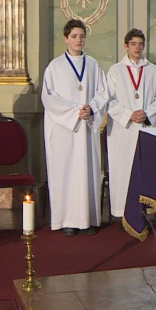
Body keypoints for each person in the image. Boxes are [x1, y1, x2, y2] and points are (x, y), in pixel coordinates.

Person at [42, 19, 109, 236]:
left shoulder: (93, 65)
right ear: (66, 39)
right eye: (74, 36)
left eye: (81, 36)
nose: (78, 40)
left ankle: (88, 219)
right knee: (66, 172)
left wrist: (92, 108)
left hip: (87, 128)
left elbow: (103, 93)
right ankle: (67, 220)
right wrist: (74, 112)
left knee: (88, 171)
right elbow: (49, 97)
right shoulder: (55, 67)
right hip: (65, 130)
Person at [106, 29, 156, 219]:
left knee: (144, 170)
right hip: (122, 130)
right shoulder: (115, 71)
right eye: (133, 44)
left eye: (140, 44)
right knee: (123, 170)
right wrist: (129, 114)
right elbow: (109, 100)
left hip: (146, 128)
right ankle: (123, 212)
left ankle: (143, 213)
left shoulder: (154, 71)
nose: (137, 48)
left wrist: (146, 113)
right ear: (126, 46)